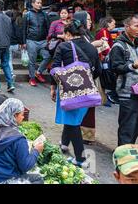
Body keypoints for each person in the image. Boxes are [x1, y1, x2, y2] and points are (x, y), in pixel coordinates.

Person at [51, 20, 101, 167]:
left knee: (72, 123)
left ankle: (81, 159)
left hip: (69, 91)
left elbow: (54, 70)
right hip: (87, 90)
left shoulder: (64, 46)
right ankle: (64, 143)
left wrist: (53, 88)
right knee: (73, 119)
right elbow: (98, 70)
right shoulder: (92, 48)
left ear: (68, 34)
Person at [0, 98, 44, 184]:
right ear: (14, 116)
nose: (23, 117)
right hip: (2, 181)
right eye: (22, 115)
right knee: (38, 179)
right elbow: (25, 166)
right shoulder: (18, 139)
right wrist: (36, 151)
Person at [110, 15, 138, 146]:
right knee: (127, 126)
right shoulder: (119, 46)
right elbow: (115, 67)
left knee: (137, 124)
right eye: (137, 26)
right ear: (127, 27)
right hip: (127, 92)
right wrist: (133, 66)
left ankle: (129, 151)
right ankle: (123, 155)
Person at [73, 10, 104, 143]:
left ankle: (87, 135)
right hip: (80, 77)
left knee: (89, 106)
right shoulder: (78, 37)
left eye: (91, 19)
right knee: (80, 106)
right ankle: (78, 135)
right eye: (88, 19)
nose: (90, 22)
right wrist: (93, 46)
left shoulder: (88, 35)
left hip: (90, 75)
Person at [20, 0, 50, 87]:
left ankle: (39, 72)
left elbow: (48, 27)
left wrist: (49, 39)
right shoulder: (27, 15)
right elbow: (23, 29)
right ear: (33, 4)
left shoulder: (44, 14)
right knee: (32, 61)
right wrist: (24, 42)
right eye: (38, 3)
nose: (40, 4)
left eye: (40, 3)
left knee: (47, 56)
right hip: (31, 41)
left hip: (43, 41)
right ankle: (32, 78)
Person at [0, 0, 15, 93]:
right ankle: (10, 84)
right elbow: (10, 32)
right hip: (6, 44)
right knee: (6, 64)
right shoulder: (8, 18)